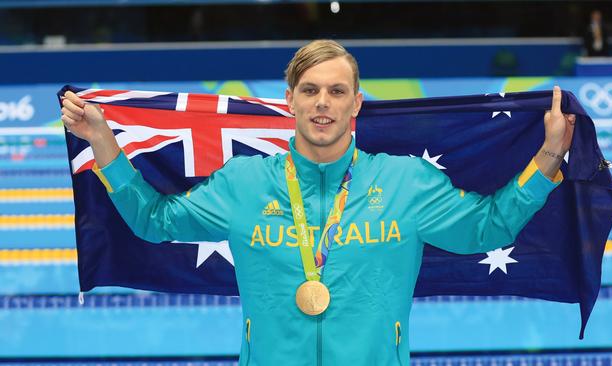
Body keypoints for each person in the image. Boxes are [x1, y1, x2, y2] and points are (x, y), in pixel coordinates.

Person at [60, 40, 576, 366]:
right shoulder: (243, 182)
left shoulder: (405, 182)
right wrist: (103, 141)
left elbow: (488, 229)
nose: (322, 103)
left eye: (336, 91)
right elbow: (153, 220)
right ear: (290, 100)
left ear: (357, 103)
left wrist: (551, 153)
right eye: (309, 90)